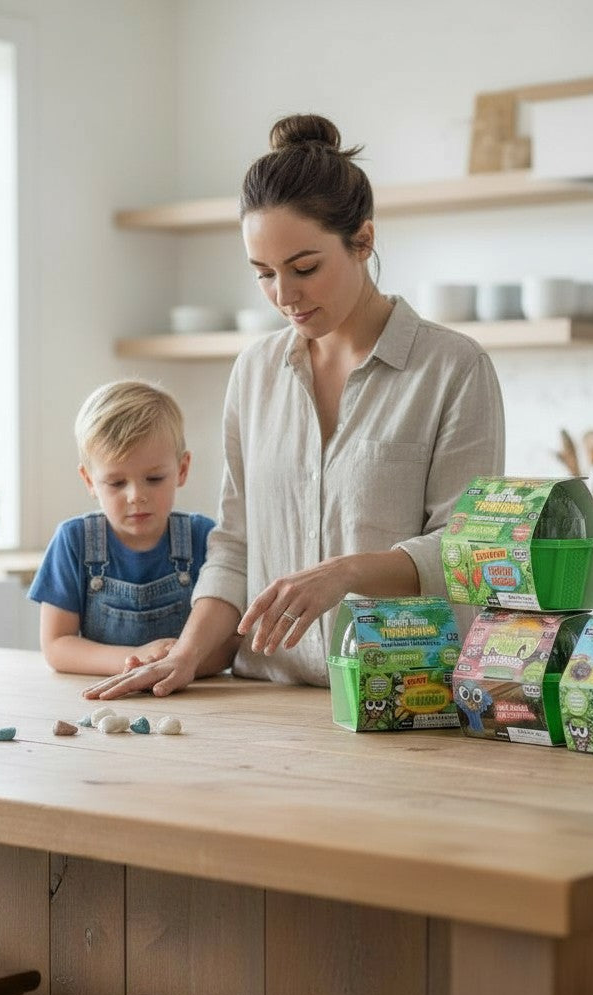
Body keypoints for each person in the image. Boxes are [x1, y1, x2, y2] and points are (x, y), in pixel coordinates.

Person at [84, 113, 505, 700]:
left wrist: (345, 573)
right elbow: (235, 544)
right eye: (264, 274)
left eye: (304, 268)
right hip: (268, 700)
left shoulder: (453, 368)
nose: (285, 295)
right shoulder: (255, 371)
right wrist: (186, 654)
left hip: (405, 702)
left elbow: (465, 550)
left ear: (363, 240)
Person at [28, 379, 234, 676]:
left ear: (182, 469)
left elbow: (232, 644)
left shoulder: (202, 537)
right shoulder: (74, 541)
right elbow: (57, 646)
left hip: (192, 696)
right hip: (104, 700)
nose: (136, 495)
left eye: (154, 479)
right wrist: (137, 660)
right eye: (116, 483)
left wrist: (179, 663)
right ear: (89, 481)